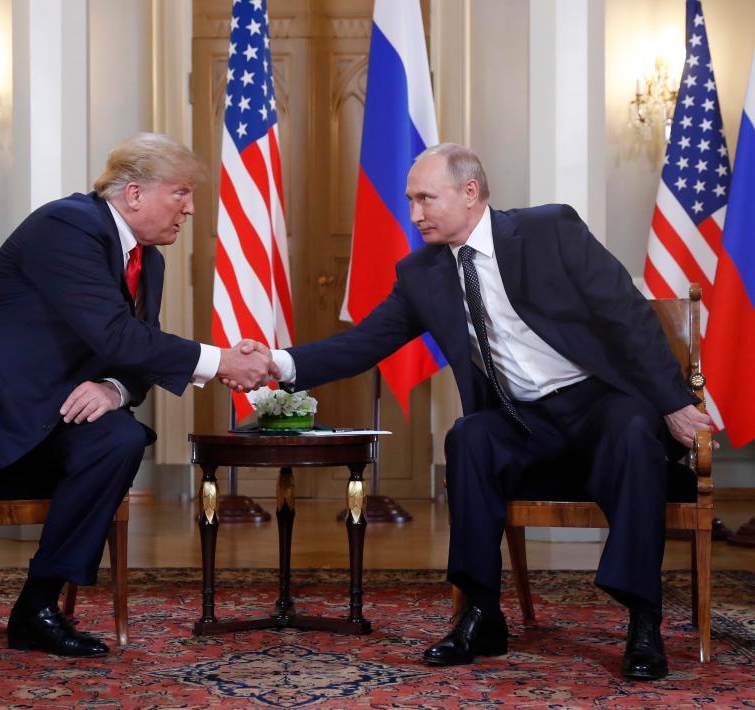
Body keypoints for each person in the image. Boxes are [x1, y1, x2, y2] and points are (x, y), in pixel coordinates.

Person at [251, 143, 712, 681]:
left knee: (636, 432)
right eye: (410, 201)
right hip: (526, 420)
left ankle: (642, 621)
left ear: (470, 193)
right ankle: (481, 614)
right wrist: (276, 363)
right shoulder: (422, 273)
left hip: (601, 402)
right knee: (469, 437)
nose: (415, 214)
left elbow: (628, 316)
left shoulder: (549, 231)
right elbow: (364, 343)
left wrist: (675, 402)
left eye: (426, 198)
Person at [0, 132, 274, 659]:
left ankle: (37, 610)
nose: (191, 209)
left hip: (50, 414)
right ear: (134, 194)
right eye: (181, 193)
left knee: (118, 439)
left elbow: (131, 351)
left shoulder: (148, 260)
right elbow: (115, 333)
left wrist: (113, 388)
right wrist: (221, 360)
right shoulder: (68, 226)